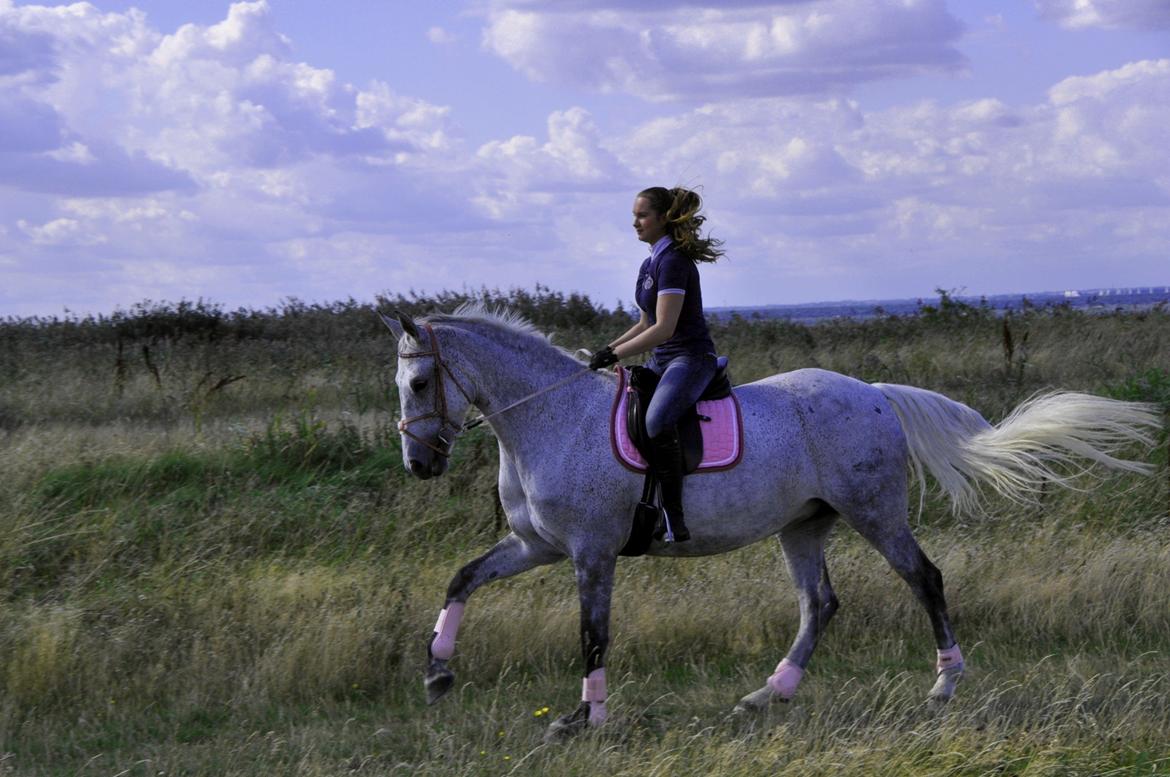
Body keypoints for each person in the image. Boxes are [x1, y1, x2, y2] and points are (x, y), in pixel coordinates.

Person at [588, 186, 724, 543]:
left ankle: (673, 517)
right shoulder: (650, 262)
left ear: (663, 218)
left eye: (642, 215)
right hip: (662, 360)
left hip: (690, 359)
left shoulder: (675, 262)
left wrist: (618, 355)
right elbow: (645, 323)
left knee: (657, 420)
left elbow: (664, 328)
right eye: (634, 215)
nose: (635, 223)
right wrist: (607, 349)